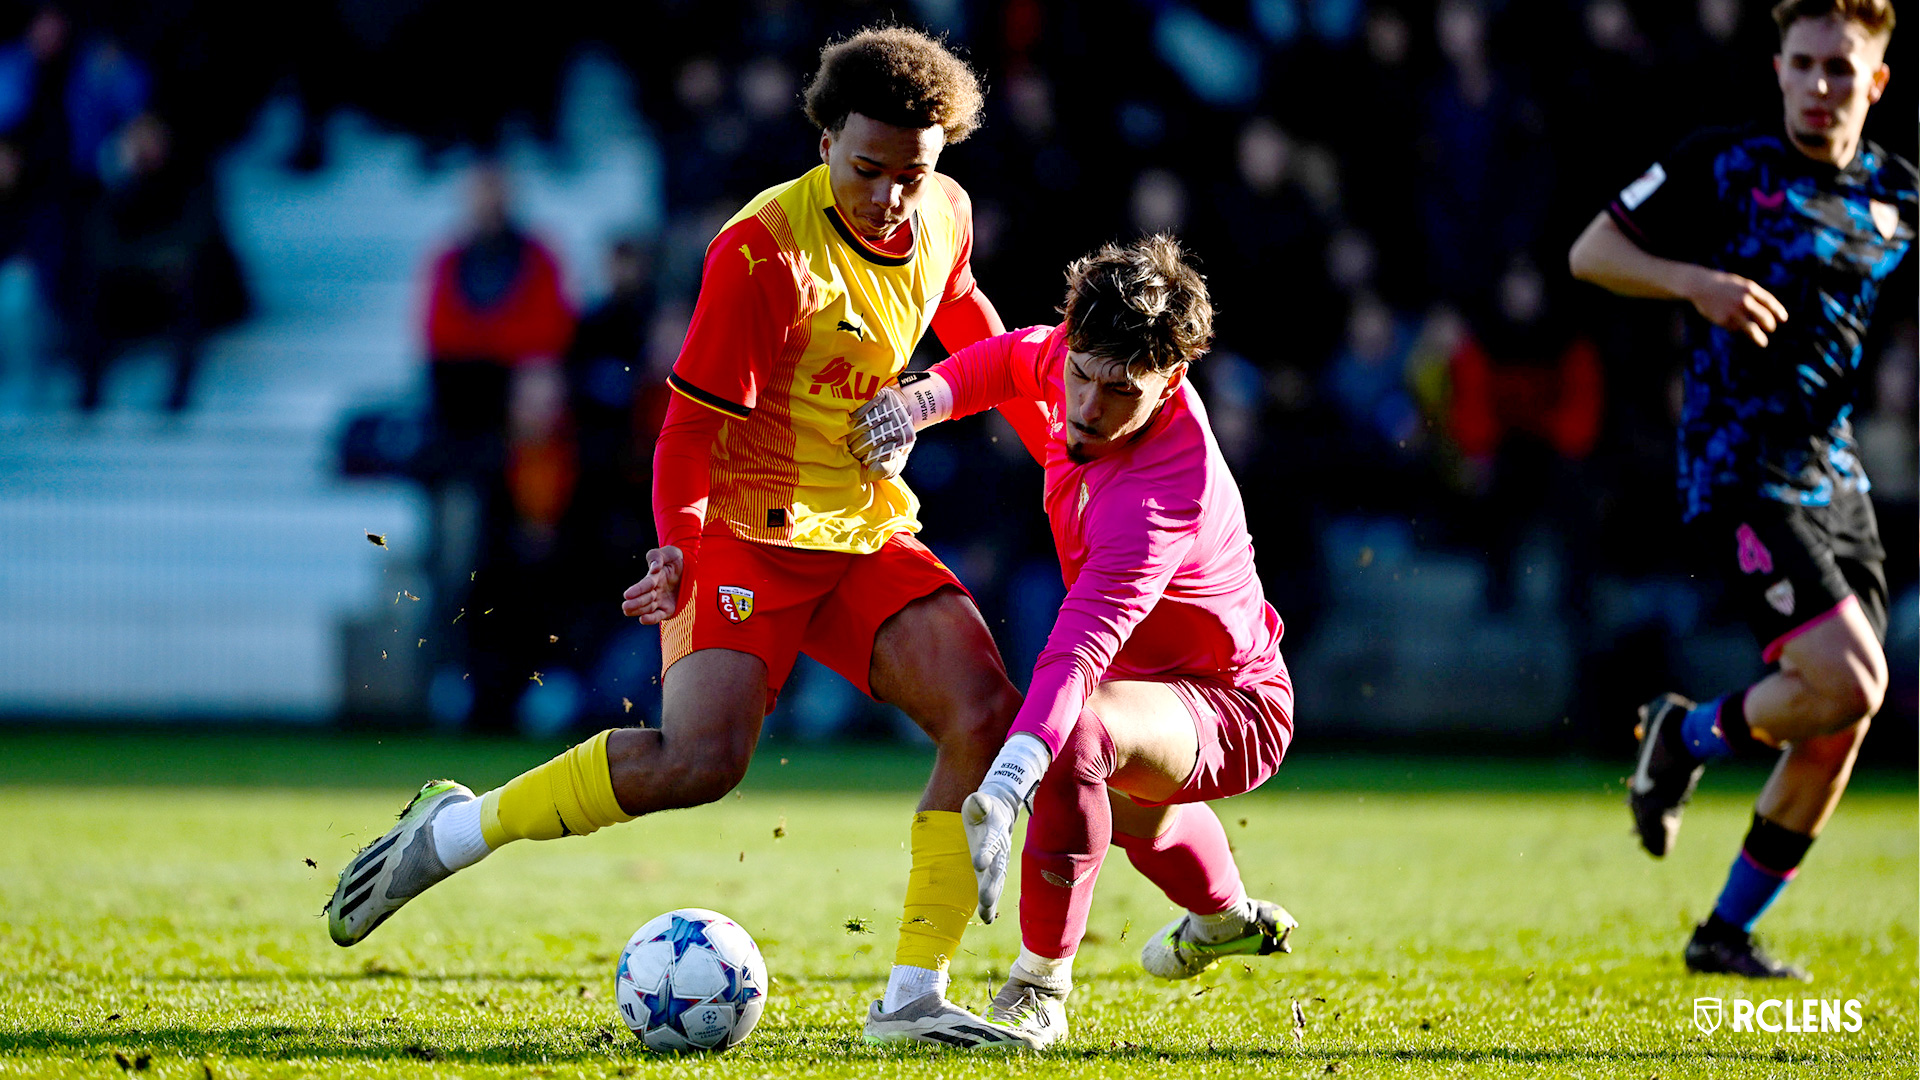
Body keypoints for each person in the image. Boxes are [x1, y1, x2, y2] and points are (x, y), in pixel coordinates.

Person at [326, 27, 1043, 1048]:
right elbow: (689, 429)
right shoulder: (762, 252)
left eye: (910, 174)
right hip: (748, 531)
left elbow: (970, 322)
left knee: (983, 710)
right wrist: (675, 546)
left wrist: (1056, 452)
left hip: (866, 525)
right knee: (700, 763)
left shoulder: (947, 212)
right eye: (866, 168)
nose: (888, 195)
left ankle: (912, 996)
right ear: (827, 135)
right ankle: (449, 835)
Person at [850, 235, 1298, 1048]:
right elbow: (1008, 360)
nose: (1087, 406)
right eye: (1081, 373)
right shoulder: (1076, 355)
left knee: (1075, 738)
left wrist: (1011, 779)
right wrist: (913, 405)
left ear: (1173, 378)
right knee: (1138, 822)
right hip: (1146, 687)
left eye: (1120, 389)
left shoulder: (1163, 493)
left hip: (1233, 702)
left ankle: (1040, 987)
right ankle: (1226, 918)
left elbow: (1080, 647)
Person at [1568, 0, 1914, 979]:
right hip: (1737, 468)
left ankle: (1725, 932)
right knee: (1853, 679)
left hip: (1835, 476)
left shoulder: (1896, 197)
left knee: (1837, 721)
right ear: (1776, 69)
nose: (1818, 87)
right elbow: (1589, 254)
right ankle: (1684, 739)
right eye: (1802, 65)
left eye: (1840, 71)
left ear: (1875, 83)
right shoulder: (1724, 163)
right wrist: (1693, 283)